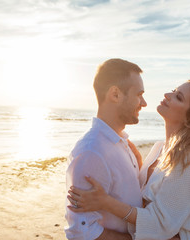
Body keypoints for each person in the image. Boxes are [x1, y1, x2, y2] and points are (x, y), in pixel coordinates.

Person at [68, 79, 190, 240]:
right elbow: (149, 197)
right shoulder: (159, 149)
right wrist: (138, 167)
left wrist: (105, 202)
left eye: (178, 97)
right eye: (173, 90)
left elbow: (159, 224)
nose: (167, 95)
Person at [64, 58, 147, 240]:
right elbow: (81, 231)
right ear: (115, 94)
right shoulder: (91, 152)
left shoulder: (122, 143)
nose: (144, 102)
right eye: (139, 94)